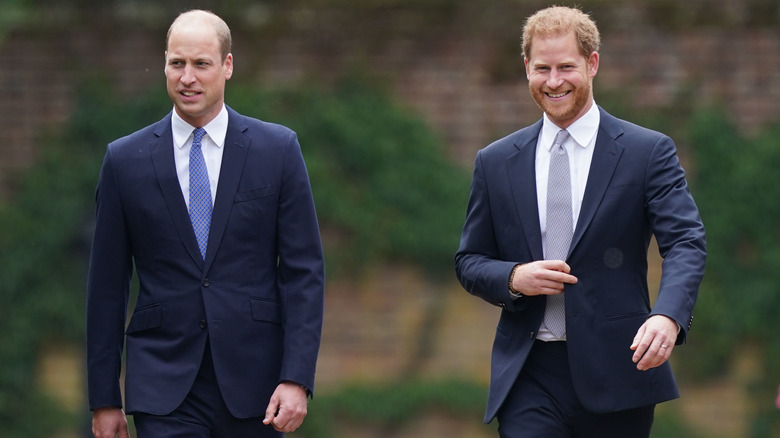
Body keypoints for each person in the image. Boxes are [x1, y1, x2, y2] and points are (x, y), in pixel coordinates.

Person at [454, 6, 706, 438]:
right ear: (526, 69)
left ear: (592, 64)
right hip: (529, 374)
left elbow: (685, 241)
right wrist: (514, 276)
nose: (554, 82)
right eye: (542, 69)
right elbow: (469, 260)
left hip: (619, 369)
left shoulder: (647, 152)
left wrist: (668, 316)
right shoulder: (495, 162)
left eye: (566, 67)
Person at [86, 9, 325, 438]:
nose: (187, 77)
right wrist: (104, 398)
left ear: (227, 66)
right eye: (177, 63)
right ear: (164, 64)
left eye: (201, 64)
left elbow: (303, 273)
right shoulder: (124, 161)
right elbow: (106, 285)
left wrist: (297, 377)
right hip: (163, 384)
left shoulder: (278, 150)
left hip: (257, 384)